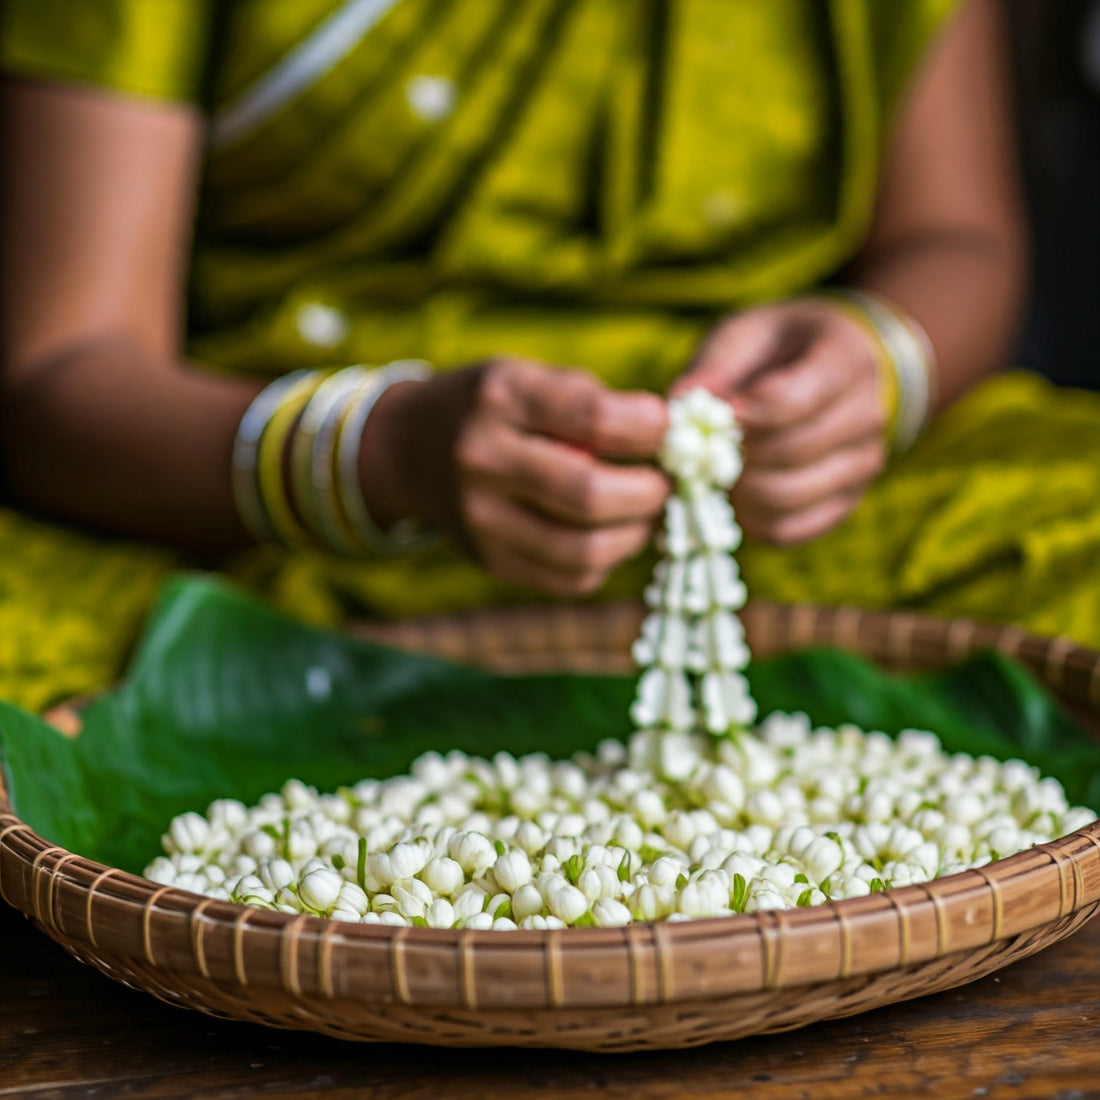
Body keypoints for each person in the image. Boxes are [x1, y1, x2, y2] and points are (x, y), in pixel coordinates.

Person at [1, 0, 1098, 715]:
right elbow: (63, 370)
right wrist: (382, 453)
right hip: (255, 531)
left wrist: (873, 361)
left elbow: (955, 242)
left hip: (795, 525)